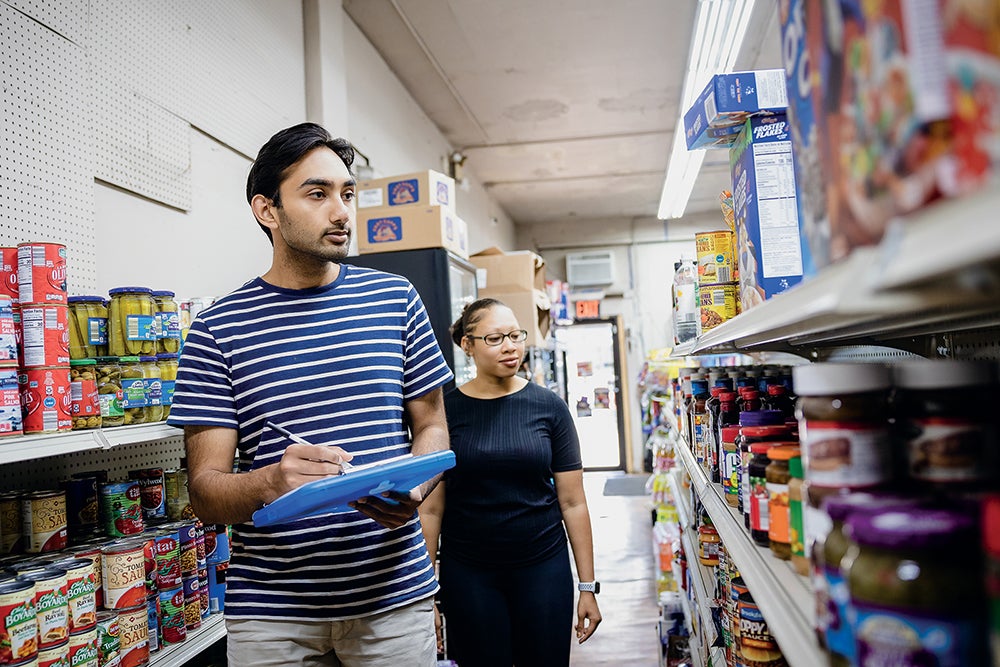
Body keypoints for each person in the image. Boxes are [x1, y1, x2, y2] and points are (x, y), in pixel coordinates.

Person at [166, 122, 452, 667]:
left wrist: (415, 484)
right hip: (273, 616)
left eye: (347, 194)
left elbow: (433, 428)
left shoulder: (395, 299)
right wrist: (272, 480)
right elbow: (205, 494)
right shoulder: (215, 329)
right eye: (317, 194)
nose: (342, 211)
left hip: (393, 600)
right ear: (267, 210)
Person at [419, 297, 603, 667]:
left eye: (515, 335)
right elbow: (432, 507)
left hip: (543, 566)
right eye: (495, 338)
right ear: (466, 344)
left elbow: (573, 502)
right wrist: (426, 594)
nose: (510, 346)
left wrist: (587, 587)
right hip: (468, 572)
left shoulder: (549, 407)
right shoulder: (445, 412)